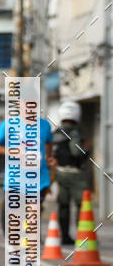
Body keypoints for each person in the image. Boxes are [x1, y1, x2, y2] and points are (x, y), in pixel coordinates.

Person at [0, 111, 52, 233]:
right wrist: (13, 151)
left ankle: (31, 239)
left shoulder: (45, 125)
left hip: (38, 181)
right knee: (14, 227)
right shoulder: (8, 124)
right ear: (19, 104)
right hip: (15, 181)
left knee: (32, 219)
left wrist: (49, 159)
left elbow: (48, 144)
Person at [50, 100, 89, 246]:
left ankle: (65, 236)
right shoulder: (74, 132)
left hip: (59, 172)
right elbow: (76, 151)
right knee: (82, 204)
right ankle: (83, 237)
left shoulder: (56, 132)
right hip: (75, 174)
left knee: (63, 205)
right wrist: (86, 150)